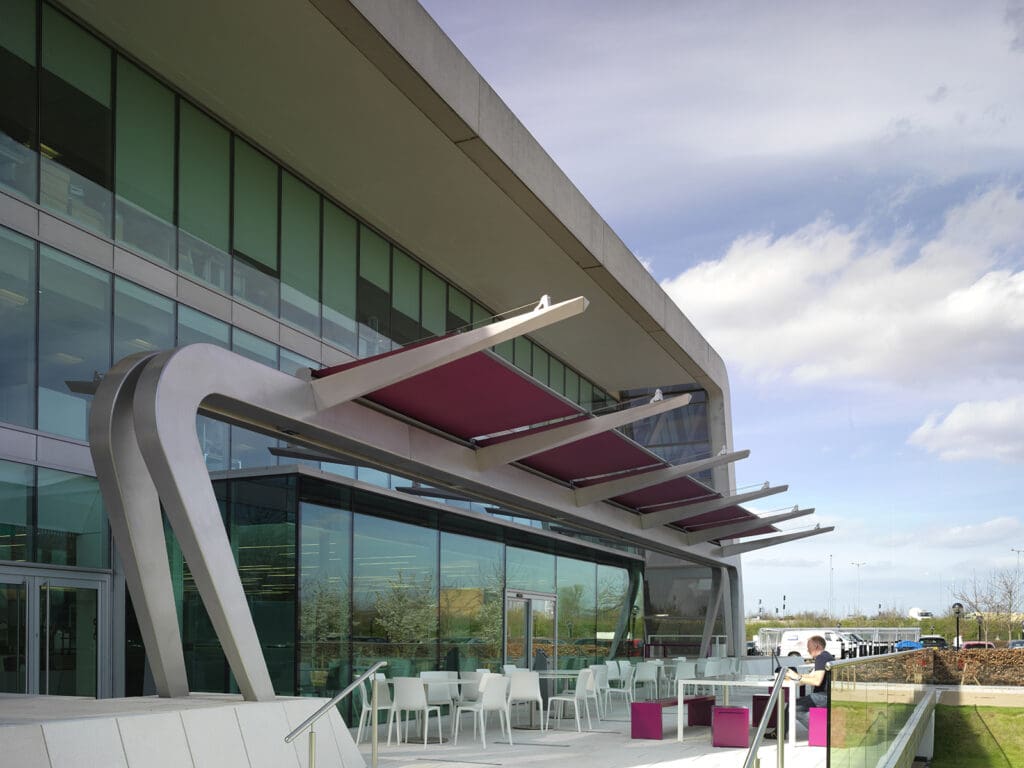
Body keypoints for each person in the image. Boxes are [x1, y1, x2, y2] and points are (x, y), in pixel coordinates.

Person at [766, 634, 833, 740]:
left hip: (825, 696)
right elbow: (812, 676)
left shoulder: (821, 658)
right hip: (829, 694)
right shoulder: (827, 656)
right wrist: (795, 677)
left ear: (816, 647)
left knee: (793, 706)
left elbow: (816, 681)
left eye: (809, 647)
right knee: (793, 704)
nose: (807, 649)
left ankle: (823, 733)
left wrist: (797, 677)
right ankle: (779, 732)